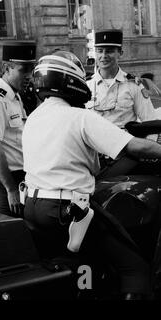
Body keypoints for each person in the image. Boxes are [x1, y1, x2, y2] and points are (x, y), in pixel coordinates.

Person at [21, 50, 161, 300]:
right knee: (135, 268)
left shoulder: (33, 118)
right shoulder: (80, 117)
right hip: (67, 209)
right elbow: (135, 146)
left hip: (33, 206)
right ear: (70, 81)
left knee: (82, 263)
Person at [0, 42, 36, 218]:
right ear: (6, 68)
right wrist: (10, 189)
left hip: (19, 177)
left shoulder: (14, 97)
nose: (29, 76)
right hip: (5, 181)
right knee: (11, 236)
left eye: (31, 70)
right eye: (23, 70)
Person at [85, 29, 157, 128]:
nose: (104, 56)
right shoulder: (86, 85)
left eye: (109, 51)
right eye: (100, 51)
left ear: (120, 53)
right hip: (94, 143)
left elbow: (150, 122)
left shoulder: (133, 85)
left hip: (125, 142)